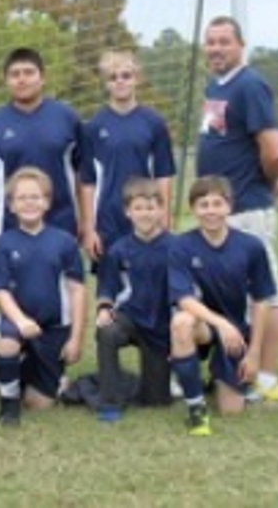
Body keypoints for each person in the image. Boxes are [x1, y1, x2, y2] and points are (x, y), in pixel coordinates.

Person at [197, 15, 278, 402]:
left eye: (224, 41)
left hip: (246, 206)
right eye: (211, 41)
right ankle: (237, 370)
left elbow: (273, 151)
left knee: (265, 292)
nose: (216, 48)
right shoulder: (216, 85)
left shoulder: (250, 85)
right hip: (219, 210)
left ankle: (267, 377)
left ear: (241, 44)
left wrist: (269, 182)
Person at [167, 176, 276, 435]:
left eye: (217, 203)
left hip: (236, 331)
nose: (211, 211)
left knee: (231, 410)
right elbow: (184, 299)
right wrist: (220, 323)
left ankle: (218, 378)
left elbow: (261, 300)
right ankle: (196, 409)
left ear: (229, 206)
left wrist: (254, 353)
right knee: (181, 322)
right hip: (204, 326)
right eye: (203, 204)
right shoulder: (180, 246)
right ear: (193, 209)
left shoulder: (251, 246)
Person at [0, 167, 86, 425]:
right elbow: (0, 290)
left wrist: (76, 338)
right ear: (11, 205)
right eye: (21, 198)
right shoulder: (3, 243)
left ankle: (24, 372)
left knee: (39, 404)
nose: (29, 203)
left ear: (47, 202)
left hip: (53, 327)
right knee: (7, 343)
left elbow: (77, 290)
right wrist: (20, 320)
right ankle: (9, 403)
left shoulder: (65, 242)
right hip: (17, 321)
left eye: (35, 197)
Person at [0, 47, 83, 252]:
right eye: (15, 74)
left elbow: (83, 175)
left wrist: (85, 221)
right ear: (6, 81)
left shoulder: (68, 118)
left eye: (28, 72)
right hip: (9, 228)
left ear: (43, 77)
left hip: (62, 225)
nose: (22, 79)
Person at [79, 50, 175, 265]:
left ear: (136, 78)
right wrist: (89, 228)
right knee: (110, 283)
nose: (120, 81)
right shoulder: (93, 126)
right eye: (113, 77)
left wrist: (164, 217)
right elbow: (87, 182)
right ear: (106, 83)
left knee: (149, 281)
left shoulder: (154, 122)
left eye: (126, 75)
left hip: (146, 219)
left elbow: (163, 175)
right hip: (108, 221)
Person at [94, 178, 175, 423]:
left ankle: (154, 382)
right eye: (138, 208)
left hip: (161, 325)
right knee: (107, 332)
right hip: (130, 318)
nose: (145, 214)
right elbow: (108, 286)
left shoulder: (176, 247)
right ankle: (110, 402)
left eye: (150, 207)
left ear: (161, 210)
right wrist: (104, 309)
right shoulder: (119, 250)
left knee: (156, 401)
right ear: (128, 212)